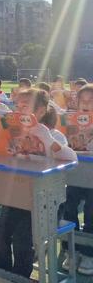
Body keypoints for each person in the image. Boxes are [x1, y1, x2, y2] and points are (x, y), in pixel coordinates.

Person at [0, 89, 77, 278]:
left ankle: (20, 278)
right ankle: (2, 276)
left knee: (22, 239)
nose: (18, 111)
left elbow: (71, 157)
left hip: (47, 203)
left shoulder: (53, 134)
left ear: (41, 111)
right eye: (17, 106)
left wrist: (45, 138)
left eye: (24, 107)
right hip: (17, 198)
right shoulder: (13, 133)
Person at [62, 83, 93, 275]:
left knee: (91, 212)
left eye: (91, 101)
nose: (86, 104)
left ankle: (89, 253)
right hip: (74, 173)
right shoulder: (69, 120)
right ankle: (70, 250)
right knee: (67, 206)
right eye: (83, 100)